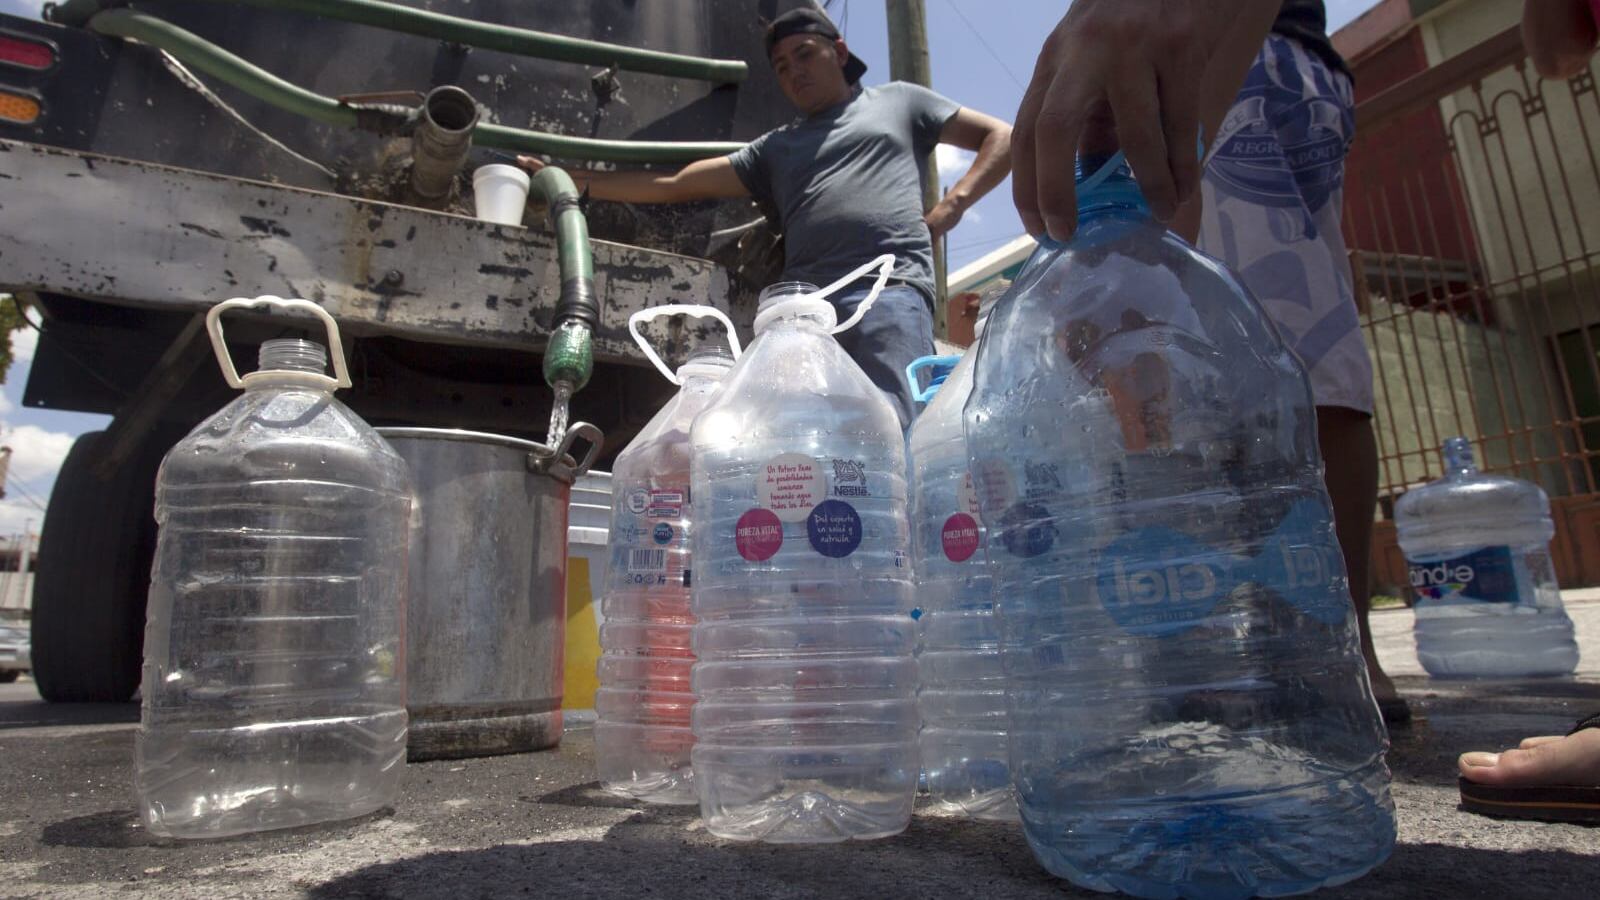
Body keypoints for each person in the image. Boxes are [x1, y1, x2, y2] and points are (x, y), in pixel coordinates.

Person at [1012, 0, 1408, 724]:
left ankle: (1328, 647)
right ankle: (1211, 648)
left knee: (1289, 353)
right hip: (1190, 44)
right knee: (1168, 369)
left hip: (1228, 40)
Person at [518, 8, 1012, 426]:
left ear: (838, 52)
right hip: (804, 311)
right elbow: (677, 183)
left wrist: (953, 206)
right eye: (780, 66)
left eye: (804, 54)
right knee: (799, 431)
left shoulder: (900, 101)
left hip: (890, 291)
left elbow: (1002, 136)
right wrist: (577, 180)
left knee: (897, 421)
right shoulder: (774, 148)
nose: (793, 71)